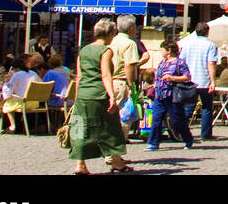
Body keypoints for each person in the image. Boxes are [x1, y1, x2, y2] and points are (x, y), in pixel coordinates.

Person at [69, 18, 132, 174]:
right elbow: (106, 74)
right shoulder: (106, 50)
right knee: (110, 128)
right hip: (99, 94)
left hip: (83, 95)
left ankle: (80, 165)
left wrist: (77, 97)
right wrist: (112, 96)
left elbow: (79, 76)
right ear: (110, 34)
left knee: (80, 129)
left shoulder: (83, 50)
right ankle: (116, 162)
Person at [145, 39, 195, 151]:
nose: (161, 52)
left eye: (162, 49)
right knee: (156, 118)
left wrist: (172, 78)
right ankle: (153, 142)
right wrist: (155, 84)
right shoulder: (162, 63)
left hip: (172, 95)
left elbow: (187, 77)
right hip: (159, 95)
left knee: (177, 120)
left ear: (169, 50)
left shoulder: (179, 63)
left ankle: (188, 139)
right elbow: (158, 76)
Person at [179, 22, 218, 140]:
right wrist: (213, 81)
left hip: (190, 80)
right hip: (204, 79)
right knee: (206, 107)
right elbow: (211, 63)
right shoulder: (210, 45)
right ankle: (205, 134)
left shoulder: (188, 44)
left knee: (189, 106)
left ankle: (181, 131)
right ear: (207, 32)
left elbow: (181, 61)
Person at [109, 15, 142, 134]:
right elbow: (129, 65)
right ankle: (118, 143)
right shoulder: (130, 43)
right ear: (131, 28)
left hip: (109, 81)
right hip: (122, 81)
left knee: (111, 114)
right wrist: (131, 84)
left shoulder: (112, 40)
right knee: (124, 115)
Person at [0, 53, 41, 133]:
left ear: (17, 68)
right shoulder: (34, 74)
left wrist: (5, 84)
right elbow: (41, 84)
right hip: (34, 103)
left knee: (7, 104)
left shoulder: (17, 75)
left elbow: (9, 88)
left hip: (23, 102)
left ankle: (12, 125)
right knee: (10, 99)